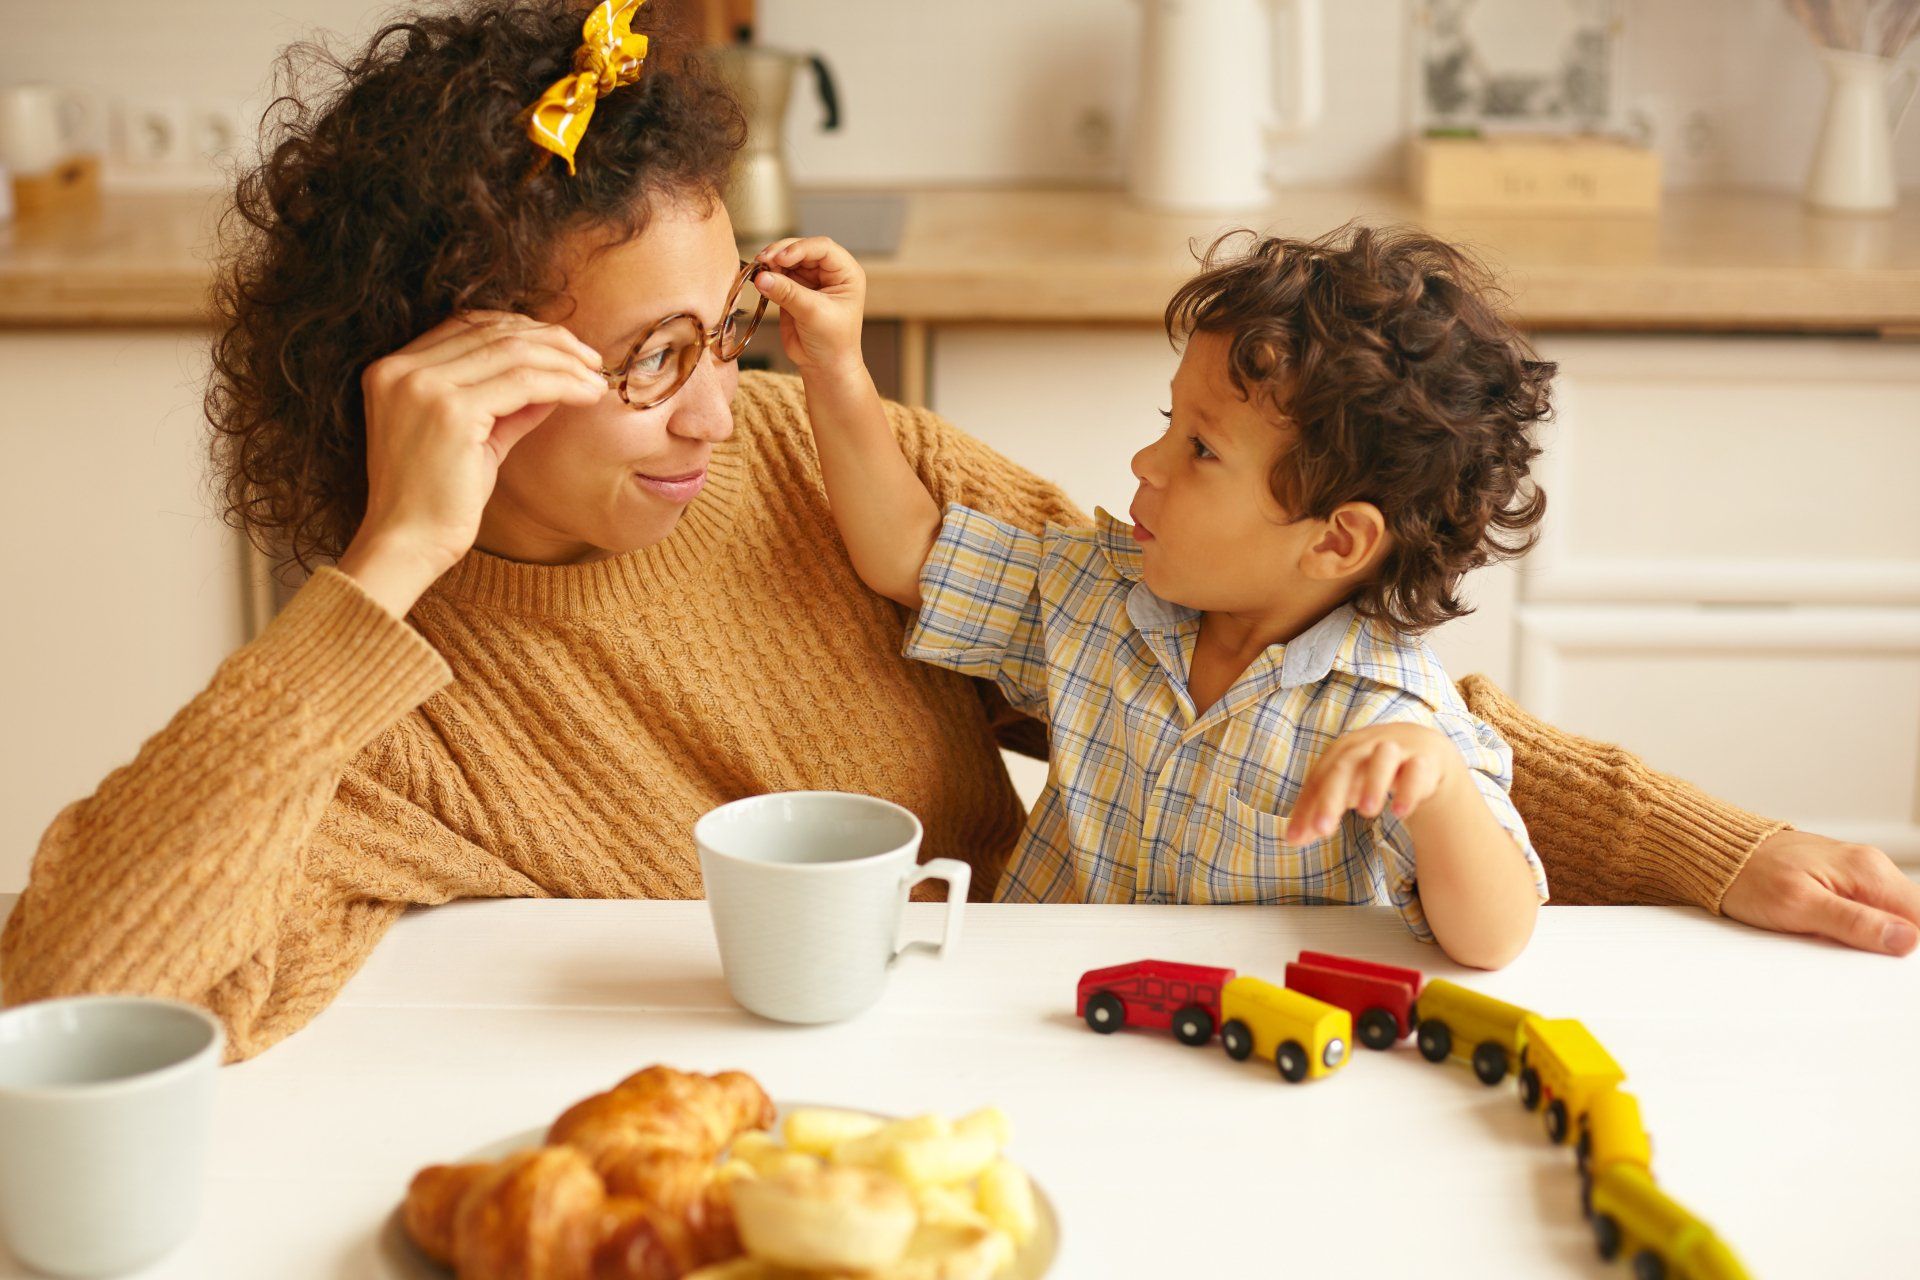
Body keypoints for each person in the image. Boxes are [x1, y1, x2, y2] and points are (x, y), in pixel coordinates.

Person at [1, 0, 1912, 1064]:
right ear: (438, 375)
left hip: (1076, 1073)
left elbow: (1254, 664)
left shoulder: (802, 461)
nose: (710, 410)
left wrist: (1694, 845)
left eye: (722, 331)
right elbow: (66, 1014)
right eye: (647, 359)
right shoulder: (376, 702)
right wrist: (381, 576)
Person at [757, 226, 1553, 969]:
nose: (1146, 460)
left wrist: (1440, 786)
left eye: (1201, 449)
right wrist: (836, 367)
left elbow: (1495, 935)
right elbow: (909, 554)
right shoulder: (1097, 597)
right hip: (1035, 1018)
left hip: (1226, 1064)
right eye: (1170, 422)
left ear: (1336, 541)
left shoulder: (1391, 719)